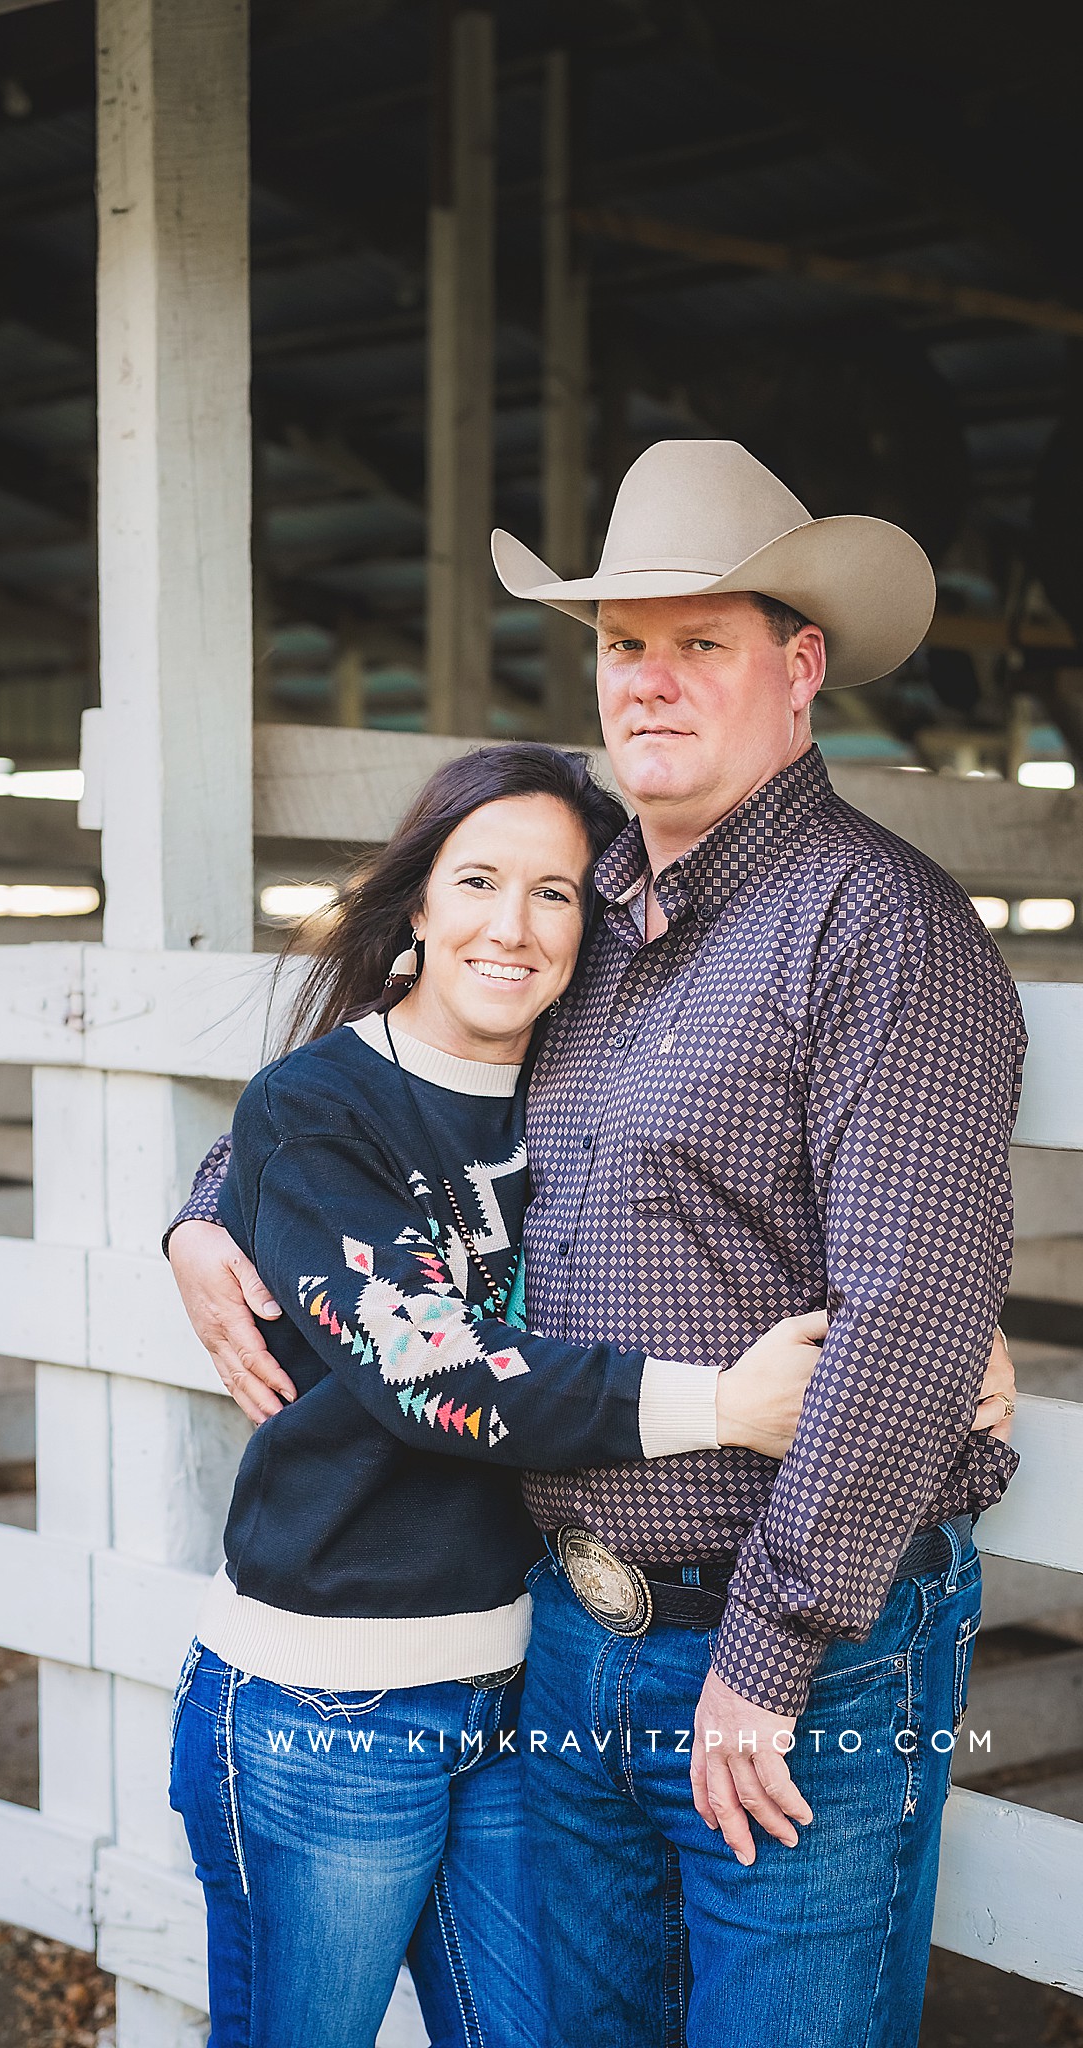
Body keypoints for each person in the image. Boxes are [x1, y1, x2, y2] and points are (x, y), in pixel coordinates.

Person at [169, 439, 1024, 2048]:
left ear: (800, 665)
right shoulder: (584, 907)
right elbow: (381, 1083)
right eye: (625, 643)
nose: (651, 680)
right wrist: (210, 1208)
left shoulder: (878, 927)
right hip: (565, 1632)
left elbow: (909, 1303)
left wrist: (767, 1661)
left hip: (797, 1644)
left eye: (701, 641)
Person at [167, 742, 833, 2048]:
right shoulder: (316, 1109)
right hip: (326, 1715)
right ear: (417, 902)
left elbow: (755, 1215)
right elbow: (432, 1371)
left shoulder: (584, 1090)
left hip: (522, 1694)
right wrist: (723, 1409)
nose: (511, 927)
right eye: (477, 880)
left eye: (556, 894)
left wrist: (931, 1334)